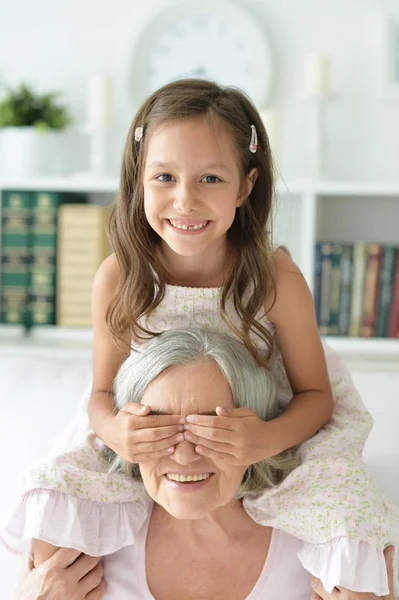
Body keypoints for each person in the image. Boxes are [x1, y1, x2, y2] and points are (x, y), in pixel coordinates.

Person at [1, 78, 398, 595]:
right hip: (156, 434)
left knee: (346, 505)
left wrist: (263, 438)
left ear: (246, 185)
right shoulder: (120, 276)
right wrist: (118, 432)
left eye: (210, 178)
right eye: (164, 176)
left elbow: (317, 398)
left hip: (267, 425)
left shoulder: (273, 279)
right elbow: (100, 395)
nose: (184, 201)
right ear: (139, 179)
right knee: (55, 490)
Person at [16, 329, 398, 599]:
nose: (184, 454)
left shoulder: (328, 556)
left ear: (255, 433)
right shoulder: (82, 539)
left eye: (212, 429)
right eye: (157, 427)